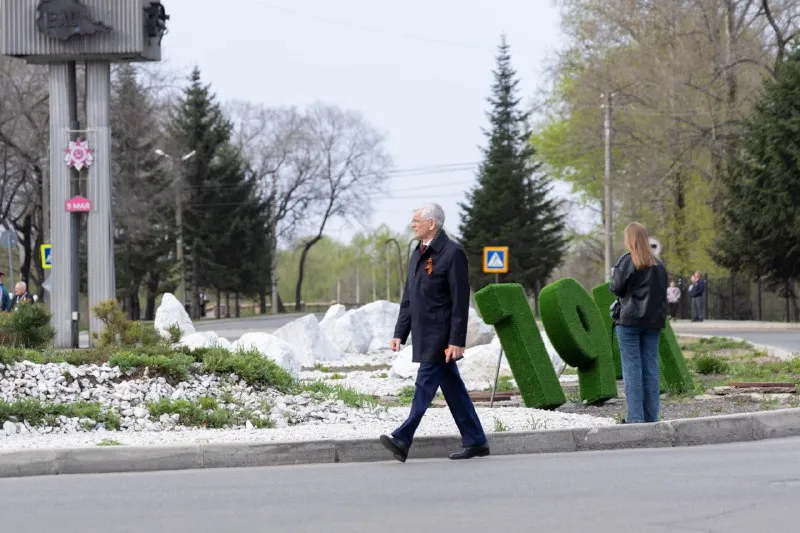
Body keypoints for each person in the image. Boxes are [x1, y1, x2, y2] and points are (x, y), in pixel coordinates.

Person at [380, 203, 489, 463]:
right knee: (454, 390)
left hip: (441, 337)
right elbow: (409, 298)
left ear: (432, 224)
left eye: (417, 220)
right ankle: (476, 441)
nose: (412, 224)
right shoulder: (417, 253)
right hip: (423, 334)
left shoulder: (453, 253)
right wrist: (399, 333)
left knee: (424, 386)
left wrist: (456, 341)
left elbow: (460, 300)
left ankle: (402, 438)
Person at [610, 222, 668, 424]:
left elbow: (616, 288)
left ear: (630, 239)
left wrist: (613, 274)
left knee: (632, 368)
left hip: (629, 322)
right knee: (650, 368)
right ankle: (652, 417)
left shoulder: (628, 260)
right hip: (653, 323)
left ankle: (634, 417)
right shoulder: (659, 265)